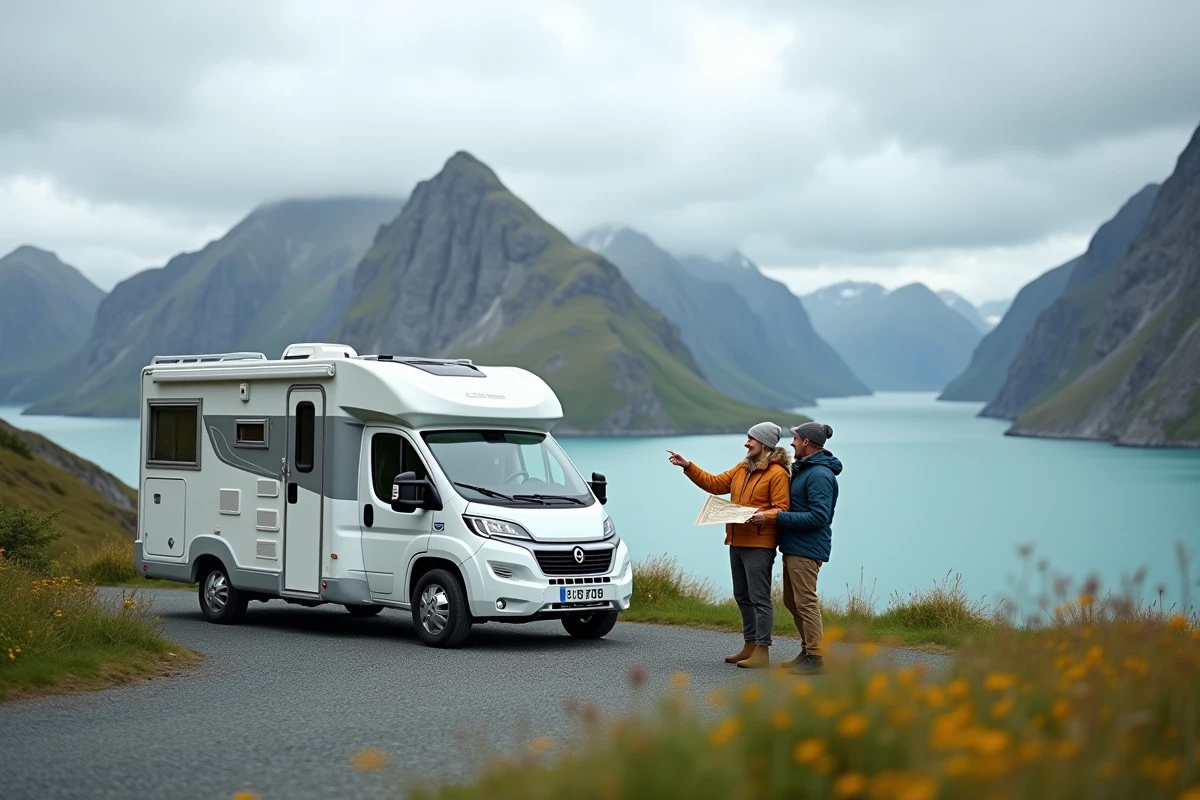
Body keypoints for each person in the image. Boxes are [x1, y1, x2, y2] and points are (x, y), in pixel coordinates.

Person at [668, 422, 791, 669]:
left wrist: (762, 516)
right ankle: (749, 644)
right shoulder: (742, 468)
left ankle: (762, 651)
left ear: (764, 444)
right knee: (742, 596)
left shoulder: (777, 473)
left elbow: (782, 509)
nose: (746, 443)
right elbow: (714, 484)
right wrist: (688, 466)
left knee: (759, 598)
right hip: (736, 540)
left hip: (759, 543)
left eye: (751, 439)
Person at [750, 421, 841, 675]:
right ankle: (808, 649)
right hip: (795, 546)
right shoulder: (806, 469)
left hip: (807, 548)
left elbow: (819, 517)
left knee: (806, 602)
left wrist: (775, 517)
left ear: (807, 443)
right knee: (792, 601)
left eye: (796, 439)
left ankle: (815, 657)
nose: (791, 443)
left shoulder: (820, 475)